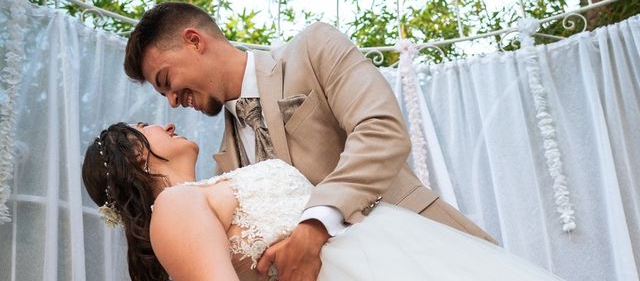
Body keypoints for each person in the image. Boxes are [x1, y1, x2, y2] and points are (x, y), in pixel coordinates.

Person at [122, 2, 495, 281]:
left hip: (430, 255)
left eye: (166, 80)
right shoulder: (225, 171)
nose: (171, 101)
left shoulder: (313, 48)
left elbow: (381, 130)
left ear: (193, 41)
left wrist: (314, 227)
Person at [82, 122, 564, 281]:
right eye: (147, 125)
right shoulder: (175, 207)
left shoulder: (209, 189)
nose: (165, 123)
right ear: (134, 154)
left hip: (394, 255)